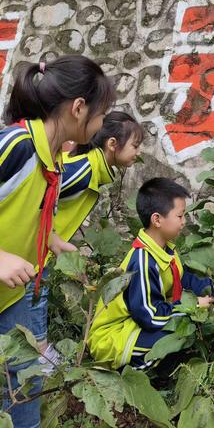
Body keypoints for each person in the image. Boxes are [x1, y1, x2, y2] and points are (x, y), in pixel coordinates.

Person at [0, 55, 115, 427]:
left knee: (25, 387)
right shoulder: (16, 146)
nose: (100, 125)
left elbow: (27, 206)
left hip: (13, 295)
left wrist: (51, 240)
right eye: (102, 114)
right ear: (79, 108)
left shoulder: (55, 155)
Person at [88, 177, 214, 370]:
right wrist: (193, 306)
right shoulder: (142, 261)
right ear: (157, 219)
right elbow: (149, 316)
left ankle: (159, 363)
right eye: (180, 216)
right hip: (113, 337)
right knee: (179, 331)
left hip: (133, 324)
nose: (183, 222)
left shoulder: (165, 250)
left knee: (184, 326)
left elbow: (185, 281)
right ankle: (128, 371)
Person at [31, 111, 144, 369]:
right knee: (34, 293)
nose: (138, 152)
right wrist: (51, 237)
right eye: (135, 145)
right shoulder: (84, 170)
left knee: (36, 292)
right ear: (112, 144)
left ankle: (39, 352)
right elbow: (37, 196)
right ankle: (41, 356)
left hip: (41, 247)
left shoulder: (94, 169)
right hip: (32, 248)